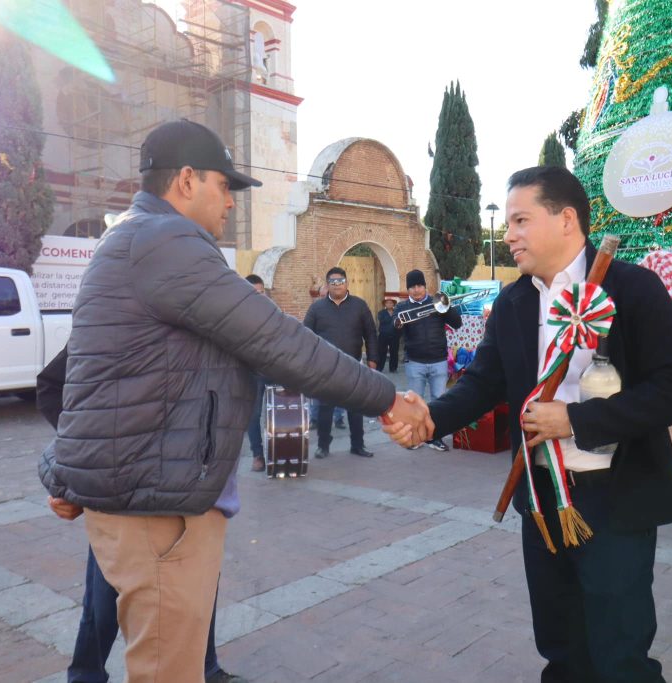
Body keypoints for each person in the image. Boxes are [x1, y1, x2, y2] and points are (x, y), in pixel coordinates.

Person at [38, 119, 428, 682]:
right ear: (188, 180)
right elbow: (279, 341)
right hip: (157, 506)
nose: (231, 203)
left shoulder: (132, 239)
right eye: (225, 187)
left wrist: (71, 476)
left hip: (149, 491)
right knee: (167, 671)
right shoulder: (164, 243)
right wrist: (388, 400)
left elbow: (97, 382)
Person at [386, 166, 672, 681]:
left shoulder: (632, 288)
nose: (507, 234)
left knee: (620, 654)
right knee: (560, 648)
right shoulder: (514, 301)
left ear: (566, 219)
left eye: (520, 220)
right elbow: (483, 382)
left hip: (616, 501)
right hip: (542, 502)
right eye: (507, 222)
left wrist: (577, 419)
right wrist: (429, 418)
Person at [37, 349, 245, 683]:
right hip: (129, 495)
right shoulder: (136, 315)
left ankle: (207, 667)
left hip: (203, 499)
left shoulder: (230, 320)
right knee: (103, 601)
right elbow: (54, 385)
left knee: (197, 596)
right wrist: (86, 464)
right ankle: (85, 675)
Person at [303, 266, 380, 459]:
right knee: (325, 409)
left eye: (341, 281)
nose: (337, 285)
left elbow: (370, 333)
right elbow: (306, 336)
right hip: (326, 368)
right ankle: (323, 445)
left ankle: (358, 445)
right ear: (327, 285)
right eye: (333, 282)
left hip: (353, 365)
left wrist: (373, 359)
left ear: (347, 283)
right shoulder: (317, 308)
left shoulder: (359, 306)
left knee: (355, 409)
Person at [394, 269, 462, 451]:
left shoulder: (437, 303)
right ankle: (415, 438)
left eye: (419, 286)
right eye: (412, 287)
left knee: (438, 402)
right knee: (414, 404)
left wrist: (447, 308)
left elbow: (457, 323)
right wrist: (396, 324)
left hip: (438, 360)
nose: (416, 290)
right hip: (414, 362)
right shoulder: (401, 308)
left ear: (425, 286)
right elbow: (393, 332)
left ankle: (435, 437)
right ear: (408, 289)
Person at [244, 274, 268, 473]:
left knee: (292, 398)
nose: (259, 296)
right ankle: (257, 455)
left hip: (273, 368)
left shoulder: (272, 311)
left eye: (261, 292)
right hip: (252, 372)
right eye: (254, 293)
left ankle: (287, 450)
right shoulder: (236, 316)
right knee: (253, 415)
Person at [376, 297, 400, 373]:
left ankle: (393, 368)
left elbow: (400, 322)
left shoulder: (397, 312)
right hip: (383, 335)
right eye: (387, 303)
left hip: (395, 335)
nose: (389, 304)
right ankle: (379, 367)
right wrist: (395, 320)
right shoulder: (381, 313)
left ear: (393, 304)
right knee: (381, 352)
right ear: (385, 304)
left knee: (394, 352)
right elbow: (383, 321)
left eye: (391, 303)